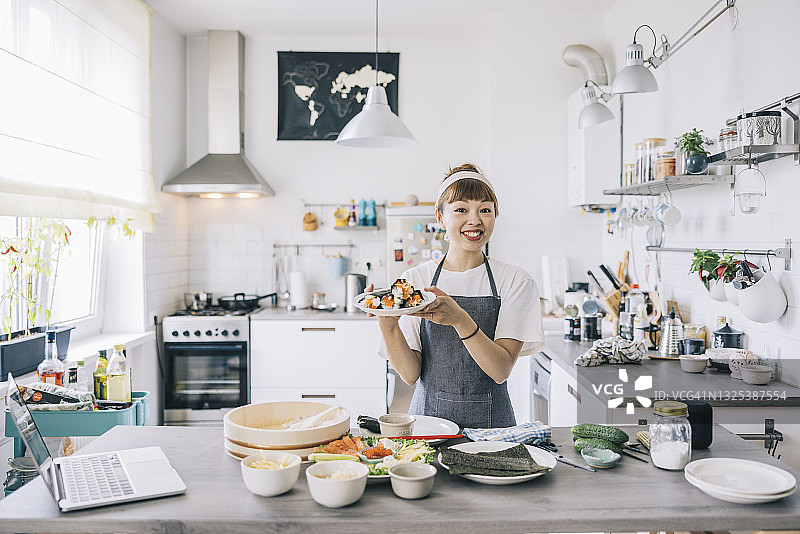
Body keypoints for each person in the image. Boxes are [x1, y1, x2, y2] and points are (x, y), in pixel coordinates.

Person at [375, 163, 544, 429]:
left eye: (485, 210)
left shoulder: (515, 281)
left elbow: (500, 370)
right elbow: (410, 374)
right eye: (461, 210)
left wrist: (460, 319)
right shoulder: (414, 281)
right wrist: (387, 322)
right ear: (440, 217)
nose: (475, 220)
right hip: (426, 425)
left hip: (491, 429)